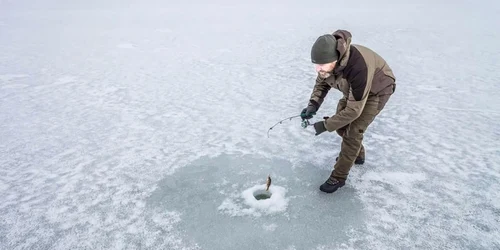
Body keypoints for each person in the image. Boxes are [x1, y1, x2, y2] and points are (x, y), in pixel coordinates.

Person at [300, 29, 396, 193]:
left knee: (353, 132)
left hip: (377, 90)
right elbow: (322, 83)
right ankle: (356, 154)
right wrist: (313, 105)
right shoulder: (328, 63)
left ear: (335, 60)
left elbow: (353, 111)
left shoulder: (358, 67)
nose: (318, 69)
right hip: (352, 90)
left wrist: (325, 125)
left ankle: (338, 177)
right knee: (341, 126)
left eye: (321, 65)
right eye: (316, 65)